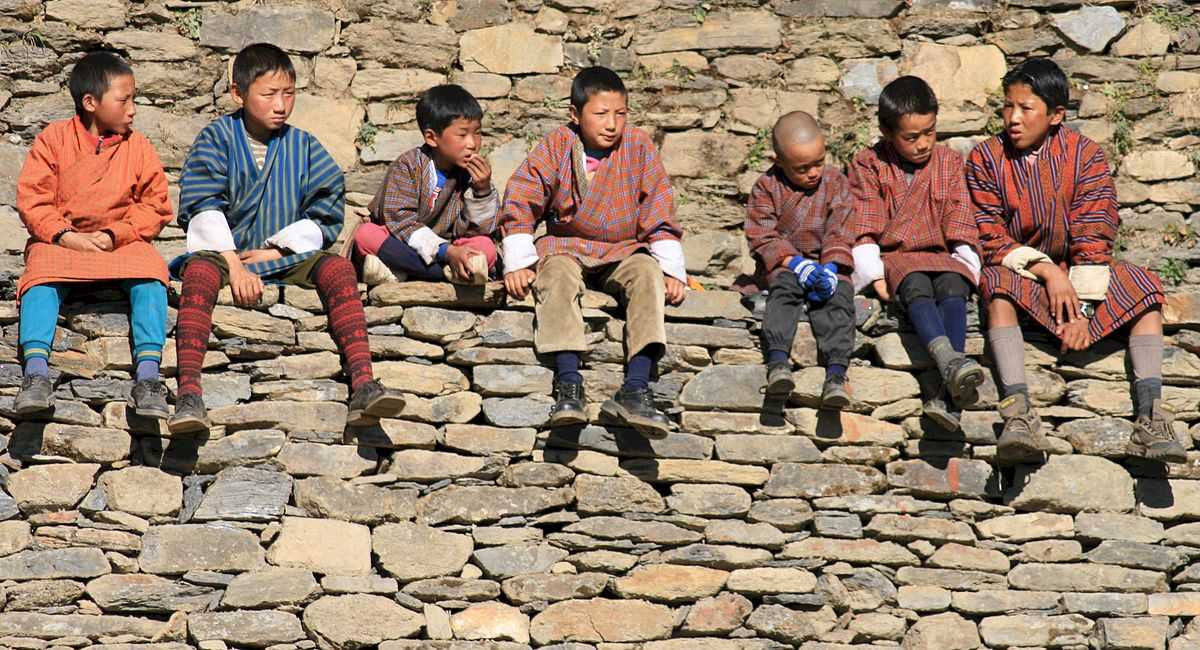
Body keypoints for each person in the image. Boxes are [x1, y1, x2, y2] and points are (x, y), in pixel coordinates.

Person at [168, 42, 404, 434]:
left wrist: (275, 249)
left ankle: (363, 381)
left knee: (337, 268)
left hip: (282, 256)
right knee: (198, 275)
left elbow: (326, 210)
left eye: (289, 94)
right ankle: (189, 393)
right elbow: (203, 205)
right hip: (221, 255)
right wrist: (235, 266)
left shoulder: (305, 147)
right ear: (238, 94)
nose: (281, 105)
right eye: (269, 94)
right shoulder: (216, 138)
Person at [967, 58, 1183, 462]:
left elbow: (1095, 230)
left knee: (1145, 288)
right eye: (1007, 106)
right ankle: (1018, 413)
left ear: (1055, 115)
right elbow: (987, 232)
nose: (1013, 118)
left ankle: (1151, 417)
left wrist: (1081, 308)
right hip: (1024, 270)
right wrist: (1045, 271)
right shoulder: (986, 159)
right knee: (995, 286)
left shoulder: (1084, 156)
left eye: (1025, 108)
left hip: (1085, 271)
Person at [499, 66, 686, 438]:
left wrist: (671, 269)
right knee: (555, 276)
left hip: (624, 248)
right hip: (566, 245)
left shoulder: (638, 146)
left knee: (647, 275)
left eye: (620, 113)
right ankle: (569, 386)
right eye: (601, 114)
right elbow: (522, 195)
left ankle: (635, 388)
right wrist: (518, 260)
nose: (612, 124)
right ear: (575, 114)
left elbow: (659, 206)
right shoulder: (557, 145)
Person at [13, 51, 173, 419]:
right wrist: (65, 236)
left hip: (118, 243)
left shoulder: (138, 146)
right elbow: (34, 200)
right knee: (39, 279)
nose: (132, 109)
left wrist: (114, 234)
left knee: (151, 275)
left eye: (133, 99)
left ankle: (148, 378)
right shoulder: (53, 140)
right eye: (124, 100)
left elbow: (155, 204)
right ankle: (36, 373)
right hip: (62, 242)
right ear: (90, 103)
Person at [850, 75, 985, 431]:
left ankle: (949, 384)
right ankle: (950, 365)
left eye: (930, 132)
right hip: (898, 257)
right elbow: (864, 219)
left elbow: (958, 213)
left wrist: (966, 260)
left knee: (954, 286)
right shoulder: (868, 164)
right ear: (886, 131)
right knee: (916, 285)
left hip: (943, 254)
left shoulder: (949, 162)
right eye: (911, 137)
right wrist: (874, 272)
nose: (923, 144)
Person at [745, 111, 855, 408]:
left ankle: (836, 374)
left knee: (839, 299)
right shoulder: (766, 187)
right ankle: (778, 362)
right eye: (802, 168)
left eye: (819, 162)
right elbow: (762, 234)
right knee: (783, 293)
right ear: (779, 162)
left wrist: (832, 266)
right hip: (785, 265)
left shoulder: (836, 182)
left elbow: (841, 227)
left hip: (826, 261)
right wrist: (794, 263)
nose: (813, 173)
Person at [353, 84, 498, 286]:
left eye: (477, 133)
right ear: (432, 137)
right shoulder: (408, 165)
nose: (472, 143)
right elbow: (400, 221)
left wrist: (482, 190)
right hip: (405, 243)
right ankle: (447, 273)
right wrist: (448, 253)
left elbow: (477, 232)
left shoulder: (471, 176)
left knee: (486, 247)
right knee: (366, 235)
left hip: (449, 247)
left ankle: (401, 271)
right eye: (462, 134)